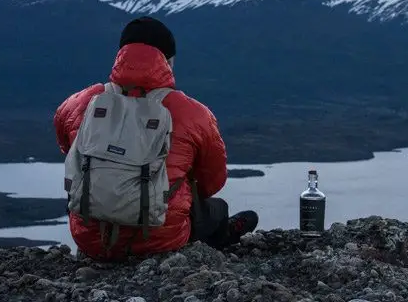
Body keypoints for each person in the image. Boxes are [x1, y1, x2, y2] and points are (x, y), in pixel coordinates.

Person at [54, 16, 258, 260]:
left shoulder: (78, 104)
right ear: (169, 61)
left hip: (89, 237)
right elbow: (211, 182)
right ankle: (221, 235)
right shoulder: (194, 114)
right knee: (217, 209)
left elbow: (70, 151)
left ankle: (104, 241)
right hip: (160, 240)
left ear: (121, 54)